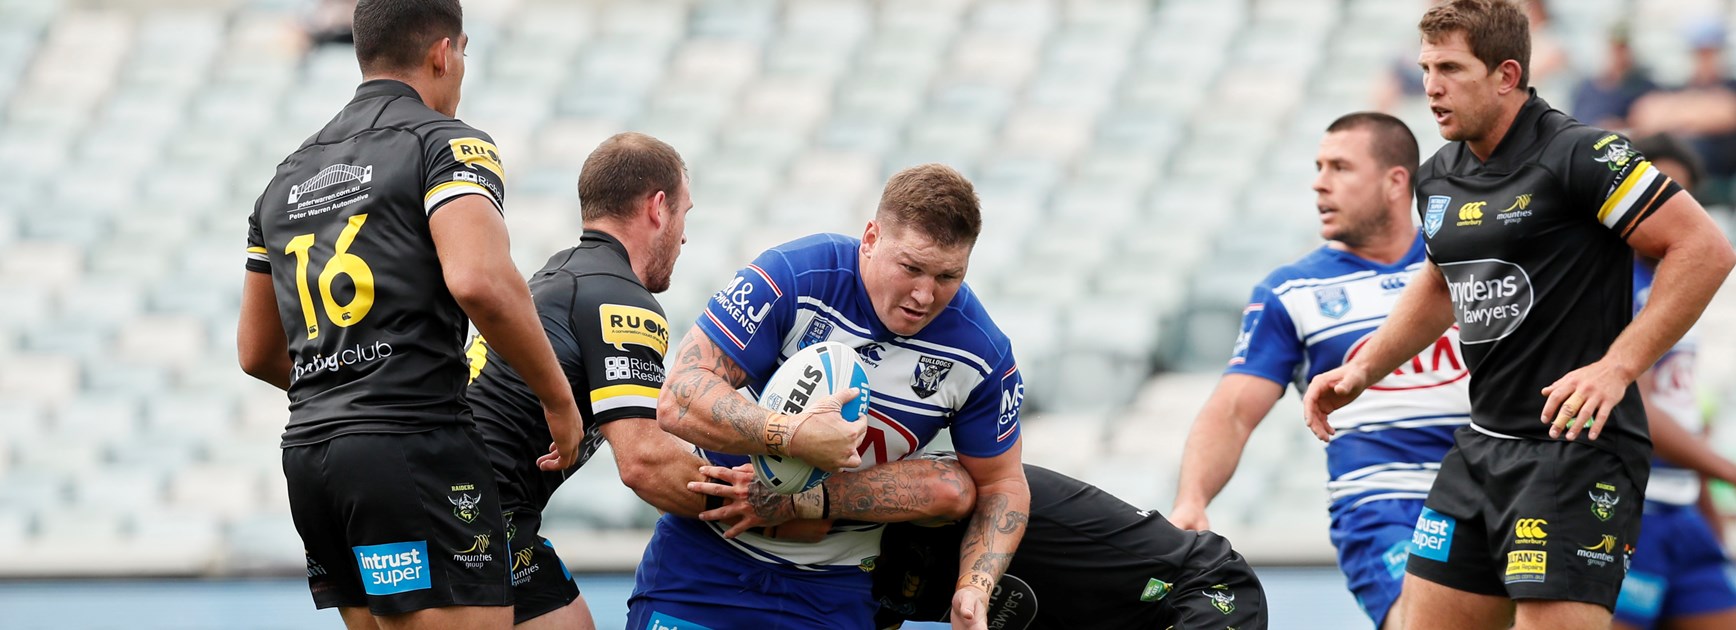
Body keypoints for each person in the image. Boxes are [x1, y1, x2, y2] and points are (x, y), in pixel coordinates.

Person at [1302, 2, 1735, 629]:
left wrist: (1618, 366)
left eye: (1451, 68)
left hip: (1576, 455)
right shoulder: (1439, 177)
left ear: (1506, 75)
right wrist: (1365, 368)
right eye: (1425, 69)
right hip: (1481, 447)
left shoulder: (1581, 153)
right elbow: (1442, 282)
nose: (1431, 87)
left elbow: (1705, 248)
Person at [236, 1, 583, 628]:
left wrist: (350, 385)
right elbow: (479, 281)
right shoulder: (446, 144)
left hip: (312, 459)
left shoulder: (283, 179)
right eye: (464, 54)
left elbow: (256, 351)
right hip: (413, 447)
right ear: (443, 53)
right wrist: (558, 401)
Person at [634, 164, 1030, 630]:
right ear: (871, 238)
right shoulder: (795, 275)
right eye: (911, 268)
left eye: (948, 275)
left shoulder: (981, 352)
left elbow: (1003, 485)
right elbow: (680, 395)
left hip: (836, 588)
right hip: (703, 560)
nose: (925, 295)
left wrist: (975, 586)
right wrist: (793, 434)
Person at [1171, 112, 1468, 630]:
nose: (1319, 183)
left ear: (1395, 181)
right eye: (1318, 167)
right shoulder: (1292, 291)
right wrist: (1191, 501)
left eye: (1340, 167)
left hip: (1492, 481)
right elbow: (1234, 411)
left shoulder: (1468, 263)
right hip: (1383, 500)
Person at [461, 132, 702, 629]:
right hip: (476, 508)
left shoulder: (559, 275)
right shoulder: (621, 299)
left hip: (439, 492)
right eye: (684, 214)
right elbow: (645, 461)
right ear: (658, 208)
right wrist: (769, 505)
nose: (684, 238)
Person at [861, 457, 1267, 630]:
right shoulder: (851, 584)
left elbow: (944, 489)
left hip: (1199, 584)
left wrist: (822, 502)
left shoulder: (892, 493)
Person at [1612, 134, 1736, 630]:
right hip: (1626, 509)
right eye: (1650, 195)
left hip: (1682, 507)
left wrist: (1709, 511)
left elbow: (1680, 410)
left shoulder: (1680, 286)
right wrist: (1728, 471)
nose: (1659, 212)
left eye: (1676, 197)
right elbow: (1637, 409)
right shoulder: (1615, 286)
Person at [1569, 24, 1656, 131]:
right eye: (1615, 49)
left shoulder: (1644, 88)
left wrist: (1623, 125)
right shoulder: (1587, 88)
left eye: (1622, 49)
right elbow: (1576, 122)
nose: (1618, 55)